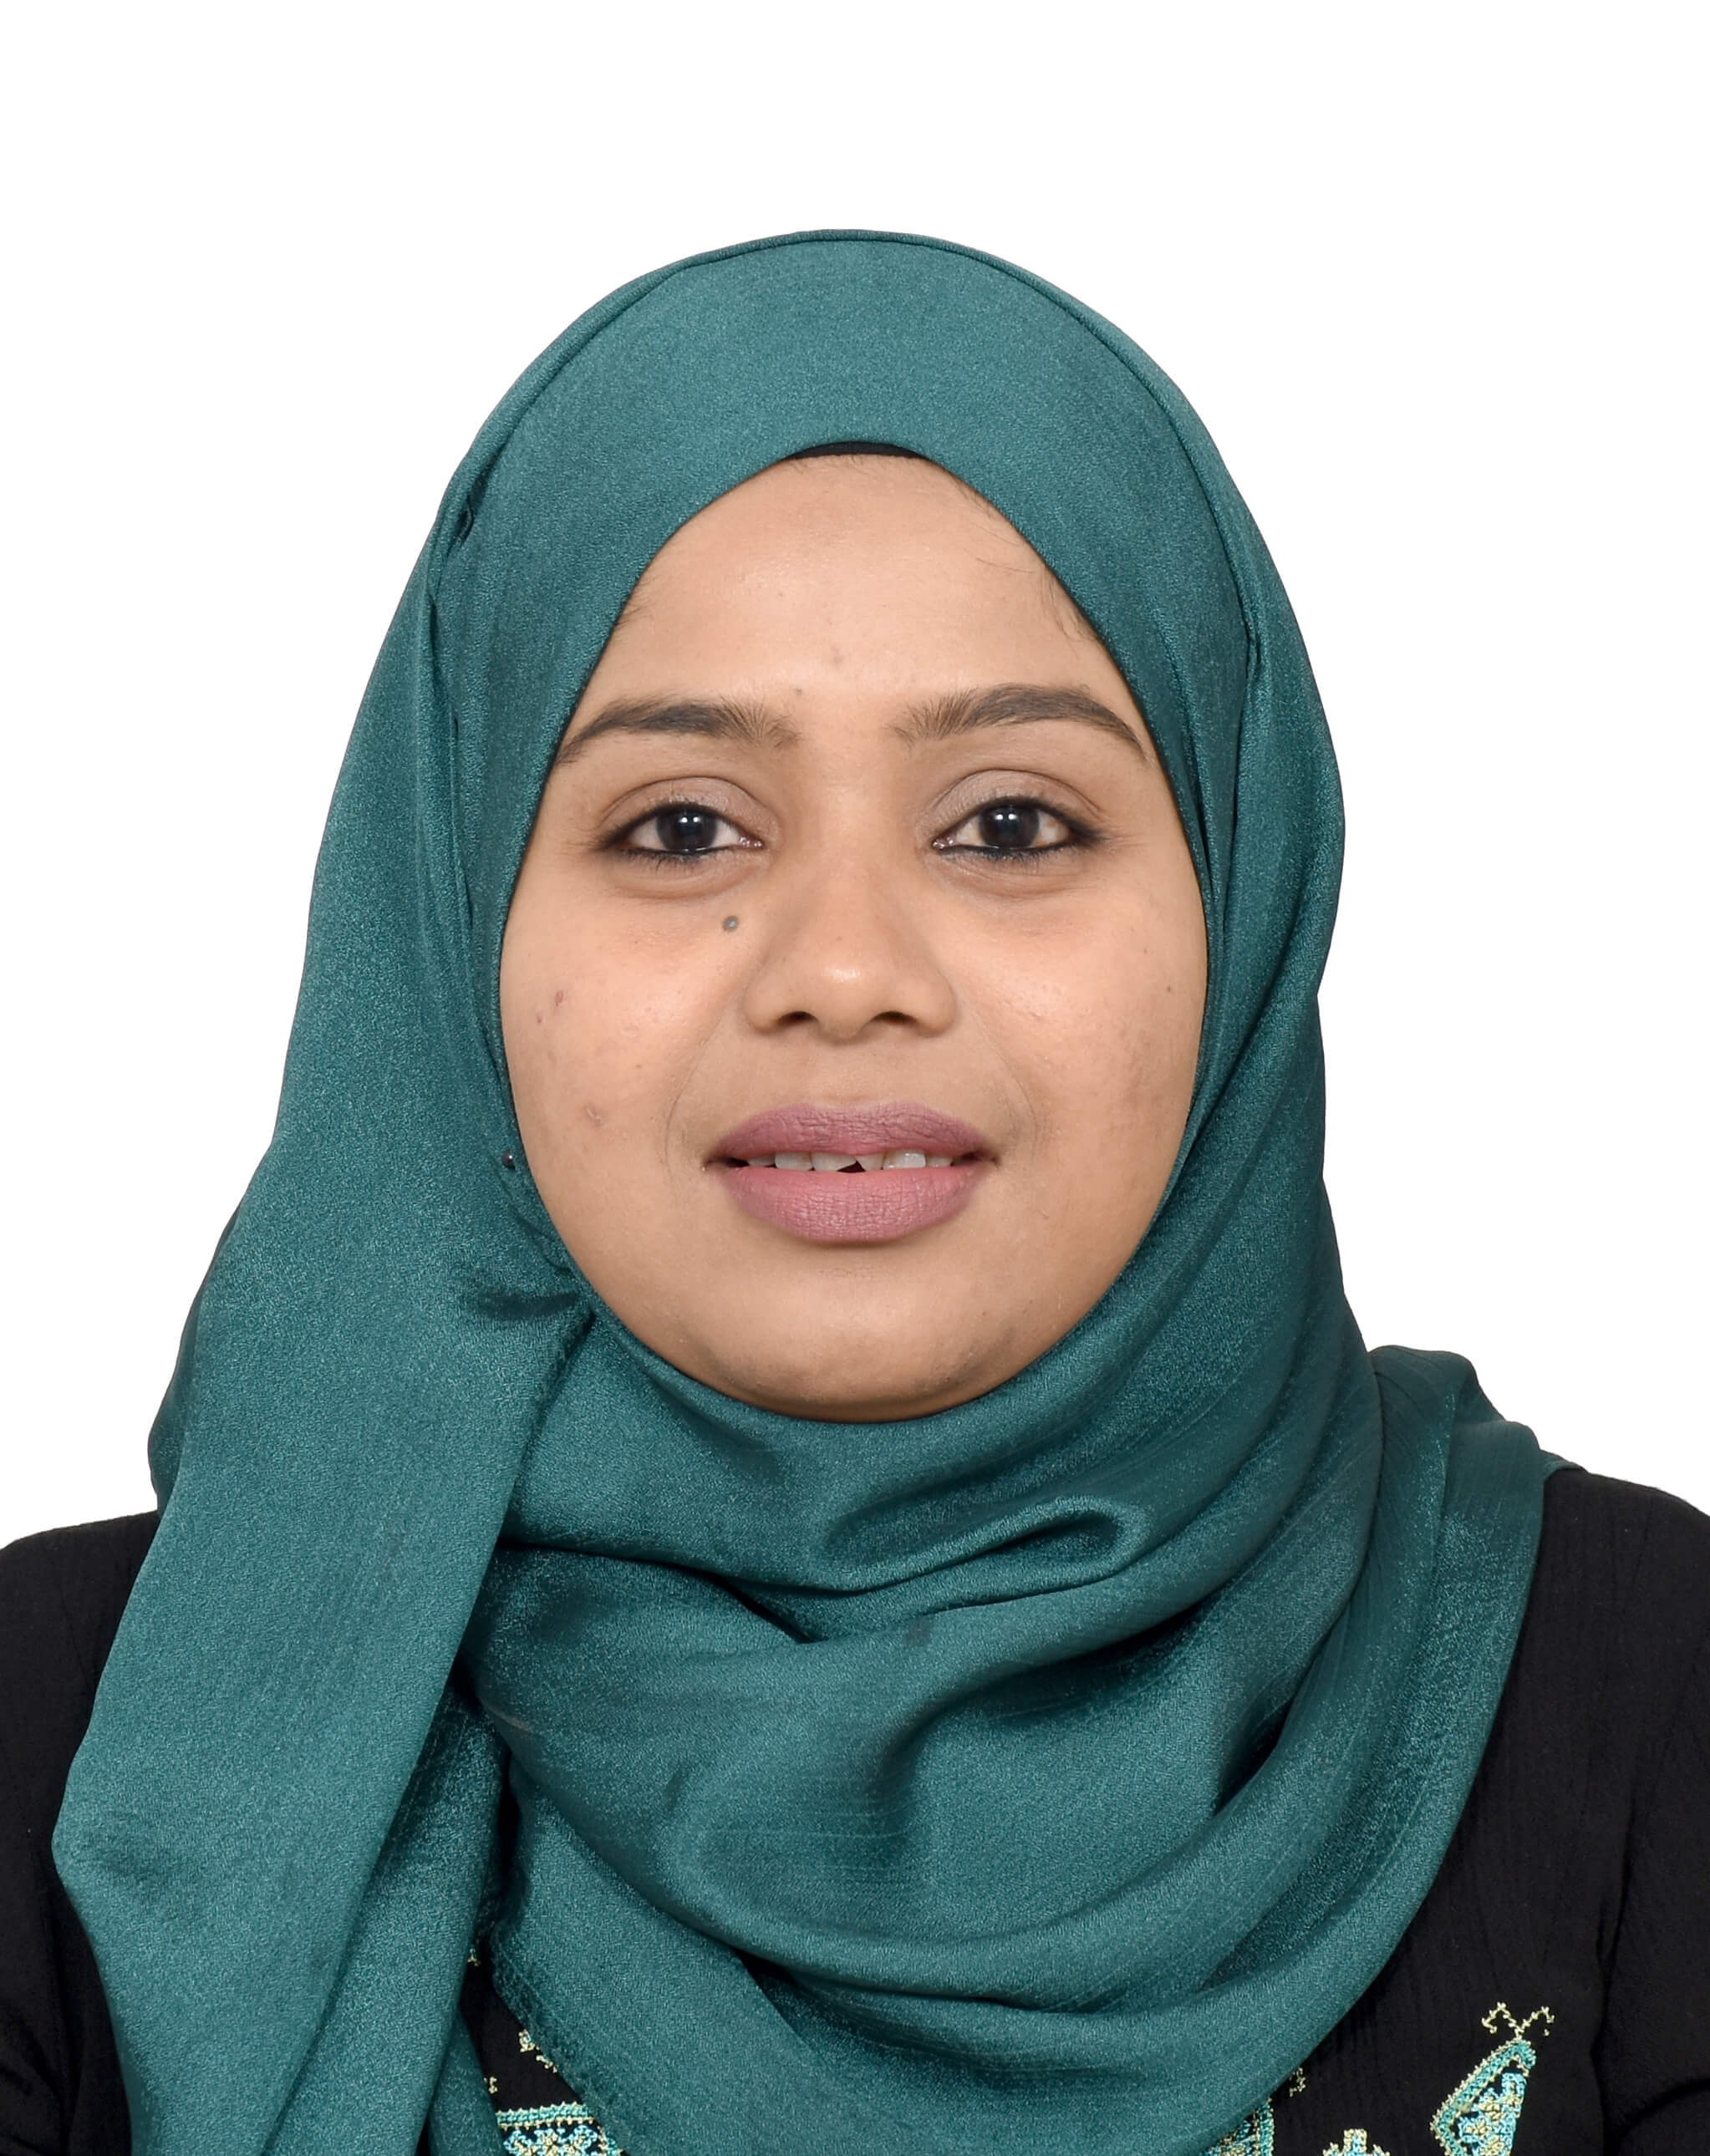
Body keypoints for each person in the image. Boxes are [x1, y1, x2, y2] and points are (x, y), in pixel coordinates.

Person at [2, 232, 1705, 2156]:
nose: (841, 968)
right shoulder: (74, 1742)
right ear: (458, 927)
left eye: (1011, 823)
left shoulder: (1642, 1702)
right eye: (680, 827)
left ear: (1240, 911)